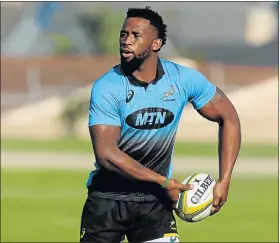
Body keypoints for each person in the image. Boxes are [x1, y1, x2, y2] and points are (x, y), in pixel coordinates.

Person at [80, 6, 241, 243]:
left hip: (154, 204)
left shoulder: (183, 79)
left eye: (136, 35)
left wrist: (225, 179)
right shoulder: (108, 87)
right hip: (107, 202)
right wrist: (163, 182)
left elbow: (229, 117)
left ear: (156, 44)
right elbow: (107, 154)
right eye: (124, 34)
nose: (126, 41)